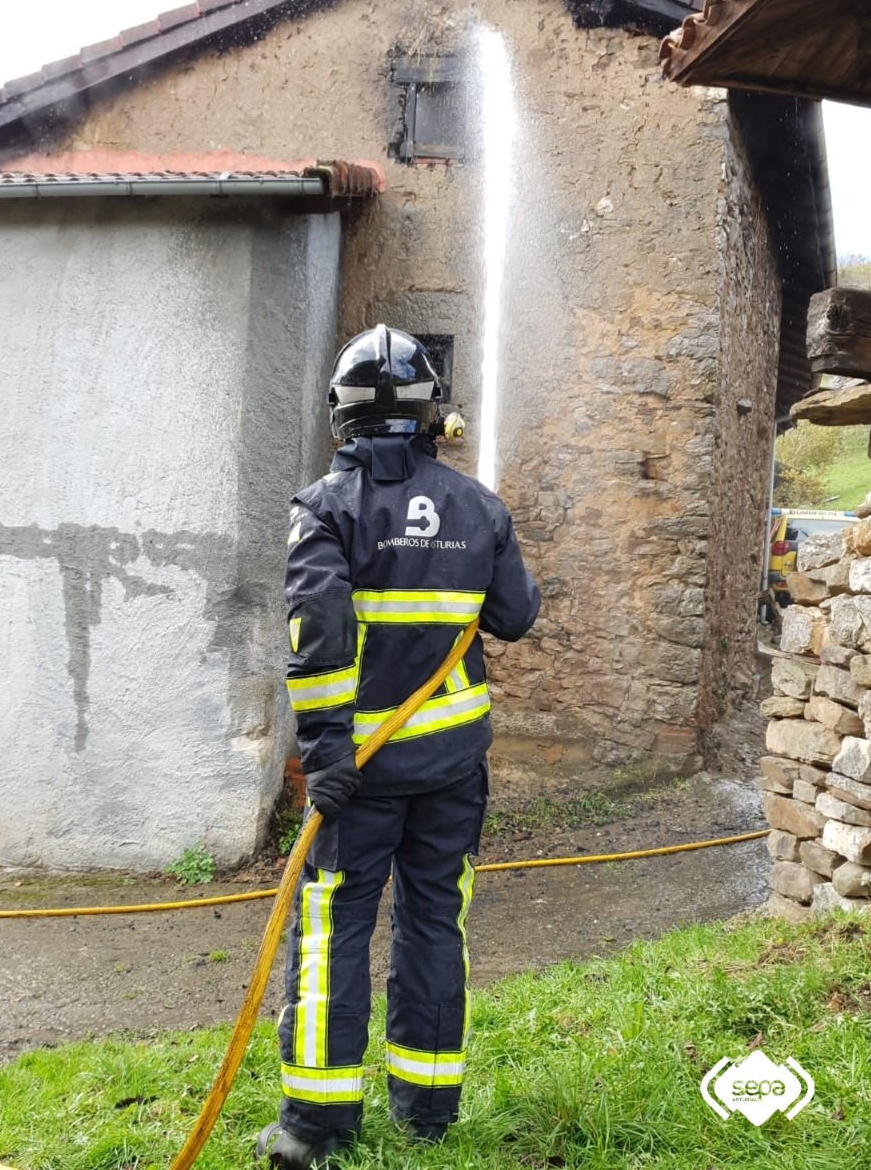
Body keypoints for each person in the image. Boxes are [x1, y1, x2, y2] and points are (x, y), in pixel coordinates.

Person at [256, 325, 540, 1169]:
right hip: (452, 771)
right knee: (434, 925)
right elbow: (516, 617)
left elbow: (317, 643)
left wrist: (327, 757)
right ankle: (426, 1110)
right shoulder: (478, 507)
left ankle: (312, 1128)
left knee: (332, 928)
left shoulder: (325, 509)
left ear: (340, 415)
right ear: (430, 415)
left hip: (361, 777)